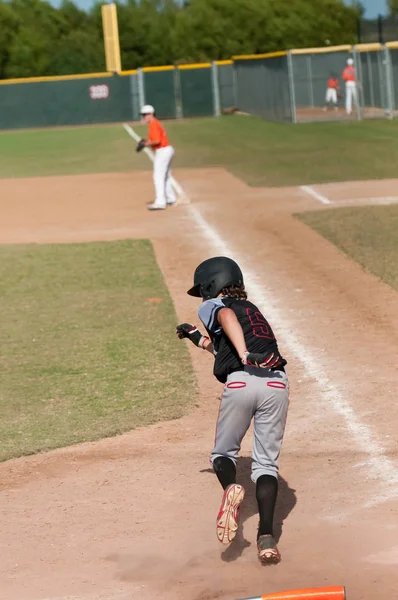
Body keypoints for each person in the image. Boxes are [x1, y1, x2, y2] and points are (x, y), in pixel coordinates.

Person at [176, 257, 289, 565]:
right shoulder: (252, 310)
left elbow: (225, 317)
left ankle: (231, 487)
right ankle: (266, 540)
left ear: (212, 284)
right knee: (266, 466)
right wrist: (197, 339)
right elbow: (226, 340)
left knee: (222, 455)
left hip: (241, 382)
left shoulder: (215, 305)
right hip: (276, 385)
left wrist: (245, 355)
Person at [140, 104, 176, 211]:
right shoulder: (155, 123)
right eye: (143, 115)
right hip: (166, 150)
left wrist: (145, 144)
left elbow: (156, 141)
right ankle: (170, 198)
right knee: (165, 176)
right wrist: (146, 142)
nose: (144, 117)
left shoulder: (153, 124)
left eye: (146, 115)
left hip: (163, 151)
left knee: (158, 176)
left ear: (151, 114)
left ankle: (160, 202)